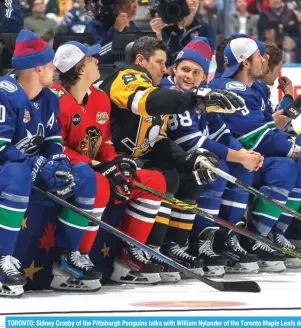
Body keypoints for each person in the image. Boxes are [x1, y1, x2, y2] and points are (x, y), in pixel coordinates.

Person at [96, 36, 245, 279]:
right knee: (164, 178)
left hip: (130, 158)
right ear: (140, 60)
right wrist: (196, 101)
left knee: (185, 174)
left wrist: (188, 158)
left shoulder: (158, 90)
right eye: (160, 62)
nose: (164, 69)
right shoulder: (127, 76)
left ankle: (163, 248)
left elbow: (156, 140)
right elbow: (145, 102)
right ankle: (135, 253)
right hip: (107, 159)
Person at [52, 40, 168, 285]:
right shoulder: (55, 100)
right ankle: (73, 257)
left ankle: (130, 256)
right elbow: (56, 148)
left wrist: (117, 162)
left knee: (153, 180)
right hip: (68, 171)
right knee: (98, 184)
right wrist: (97, 165)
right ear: (80, 68)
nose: (97, 62)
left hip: (96, 166)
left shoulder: (100, 98)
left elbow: (104, 142)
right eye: (92, 58)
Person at [0, 29, 102, 297]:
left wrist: (55, 159)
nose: (54, 70)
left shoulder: (48, 99)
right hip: (9, 167)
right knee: (17, 173)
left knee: (82, 175)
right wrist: (33, 164)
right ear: (36, 69)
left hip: (28, 164)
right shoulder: (5, 94)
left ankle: (67, 257)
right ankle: (2, 258)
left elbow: (53, 138)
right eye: (48, 65)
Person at [161, 36, 264, 275]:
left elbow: (220, 131)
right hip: (174, 158)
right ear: (174, 68)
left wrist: (243, 153)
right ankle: (199, 240)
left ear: (204, 76)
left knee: (240, 170)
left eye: (196, 72)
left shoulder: (201, 94)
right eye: (184, 69)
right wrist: (239, 157)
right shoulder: (170, 92)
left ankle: (224, 238)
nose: (189, 75)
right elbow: (190, 140)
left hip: (195, 156)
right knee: (217, 170)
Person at [209, 37, 301, 269]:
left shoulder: (256, 88)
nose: (264, 60)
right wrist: (297, 149)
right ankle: (243, 237)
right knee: (287, 164)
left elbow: (271, 125)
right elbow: (255, 137)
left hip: (252, 155)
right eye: (260, 56)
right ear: (246, 62)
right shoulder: (228, 88)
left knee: (298, 167)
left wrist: (289, 103)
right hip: (235, 157)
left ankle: (272, 234)